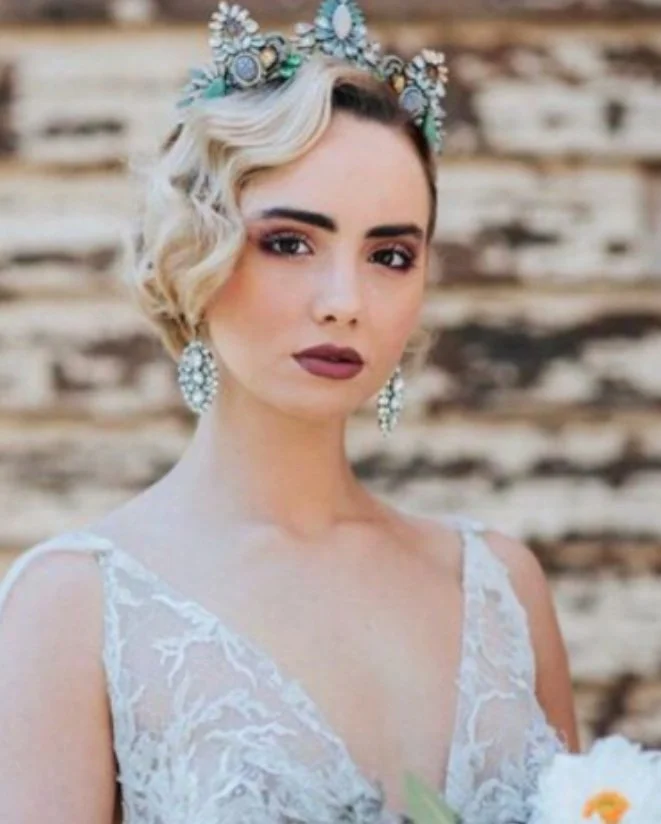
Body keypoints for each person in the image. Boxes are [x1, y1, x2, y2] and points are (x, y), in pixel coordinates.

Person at [0, 2, 579, 822]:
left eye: (389, 255)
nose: (345, 302)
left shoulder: (502, 587)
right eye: (290, 242)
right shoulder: (74, 607)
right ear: (196, 254)